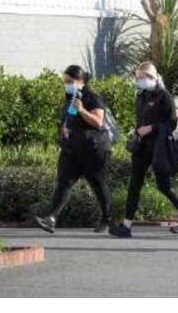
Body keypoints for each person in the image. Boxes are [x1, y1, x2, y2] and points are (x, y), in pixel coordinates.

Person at [110, 63, 178, 238]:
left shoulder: (164, 96)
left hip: (158, 148)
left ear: (152, 77)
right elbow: (140, 120)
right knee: (134, 185)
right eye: (138, 77)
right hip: (142, 147)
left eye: (142, 77)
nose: (139, 80)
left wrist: (152, 128)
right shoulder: (141, 96)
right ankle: (126, 225)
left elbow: (172, 123)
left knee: (164, 186)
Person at [35, 65, 112, 234]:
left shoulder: (92, 98)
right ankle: (51, 218)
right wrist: (64, 128)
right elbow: (69, 118)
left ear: (81, 81)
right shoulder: (71, 98)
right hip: (73, 149)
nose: (67, 84)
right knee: (64, 182)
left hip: (93, 150)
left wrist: (82, 110)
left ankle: (107, 219)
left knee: (98, 184)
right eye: (65, 81)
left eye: (70, 81)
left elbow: (98, 122)